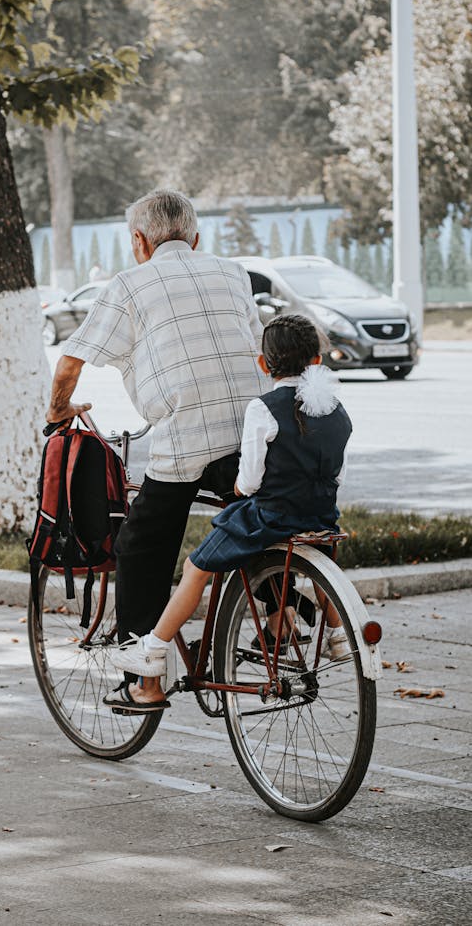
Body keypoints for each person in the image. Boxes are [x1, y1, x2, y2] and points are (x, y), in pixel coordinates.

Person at [45, 189, 270, 706]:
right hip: (256, 435)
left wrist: (58, 410)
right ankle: (278, 622)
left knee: (140, 546)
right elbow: (259, 350)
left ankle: (142, 678)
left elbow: (71, 362)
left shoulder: (128, 284)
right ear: (196, 239)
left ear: (139, 242)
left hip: (186, 441)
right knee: (253, 517)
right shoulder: (234, 273)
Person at [110, 313, 353, 711]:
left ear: (263, 364)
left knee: (197, 567)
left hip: (269, 517)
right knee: (321, 554)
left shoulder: (264, 408)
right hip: (320, 516)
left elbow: (250, 481)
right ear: (316, 361)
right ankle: (339, 636)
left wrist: (239, 489)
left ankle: (151, 650)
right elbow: (338, 472)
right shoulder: (336, 408)